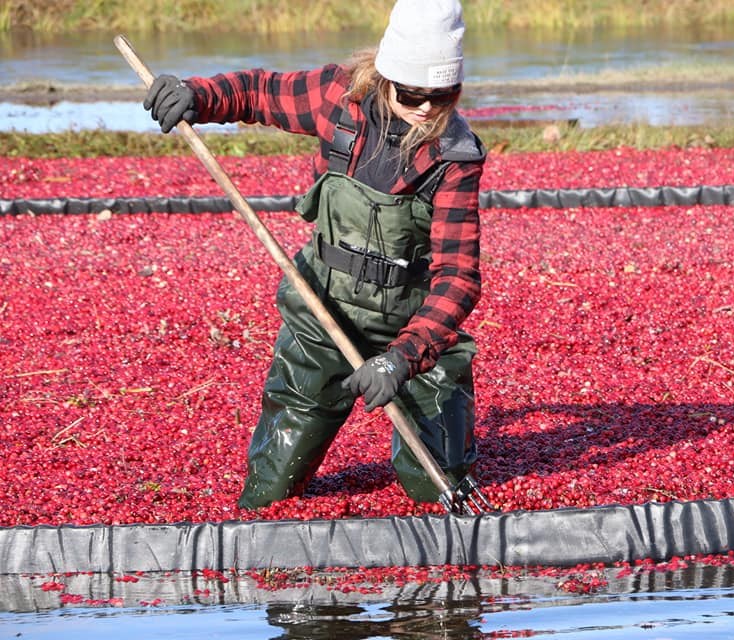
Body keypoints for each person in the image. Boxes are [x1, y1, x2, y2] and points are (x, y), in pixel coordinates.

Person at [143, 0, 486, 510]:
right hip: (323, 309)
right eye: (414, 94)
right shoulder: (338, 99)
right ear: (388, 78)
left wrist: (401, 359)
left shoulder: (455, 156)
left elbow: (458, 276)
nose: (426, 109)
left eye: (442, 96)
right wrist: (197, 95)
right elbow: (259, 93)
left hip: (410, 322)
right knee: (273, 489)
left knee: (438, 485)